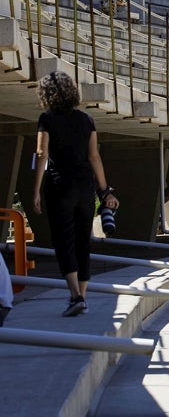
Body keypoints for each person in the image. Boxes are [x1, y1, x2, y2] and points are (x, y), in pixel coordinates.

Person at [30, 71, 118, 317]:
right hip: (85, 187)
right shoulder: (87, 119)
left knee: (63, 241)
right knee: (82, 241)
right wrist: (104, 190)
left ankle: (75, 296)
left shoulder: (46, 119)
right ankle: (82, 297)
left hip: (60, 187)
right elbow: (94, 157)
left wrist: (36, 190)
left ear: (46, 94)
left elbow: (41, 154)